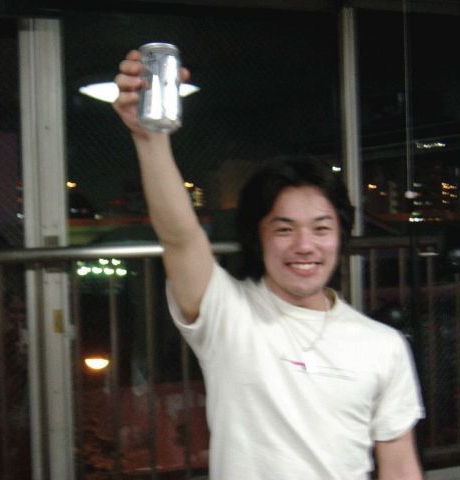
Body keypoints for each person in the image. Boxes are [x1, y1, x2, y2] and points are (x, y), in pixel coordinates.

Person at [113, 49, 425, 480]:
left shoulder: (383, 346)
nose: (304, 246)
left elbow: (400, 465)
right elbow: (180, 236)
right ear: (258, 238)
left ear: (341, 236)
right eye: (284, 229)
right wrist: (150, 138)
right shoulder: (227, 314)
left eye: (321, 228)